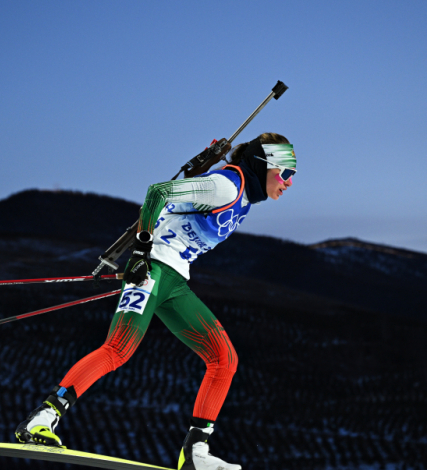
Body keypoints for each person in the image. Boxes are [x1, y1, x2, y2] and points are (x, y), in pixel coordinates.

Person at [15, 133, 297, 470]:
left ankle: (195, 454)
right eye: (285, 172)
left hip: (176, 281)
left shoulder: (243, 197)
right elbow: (158, 192)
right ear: (264, 165)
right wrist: (140, 253)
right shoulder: (225, 186)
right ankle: (41, 420)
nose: (289, 182)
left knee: (224, 359)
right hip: (151, 270)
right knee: (118, 349)